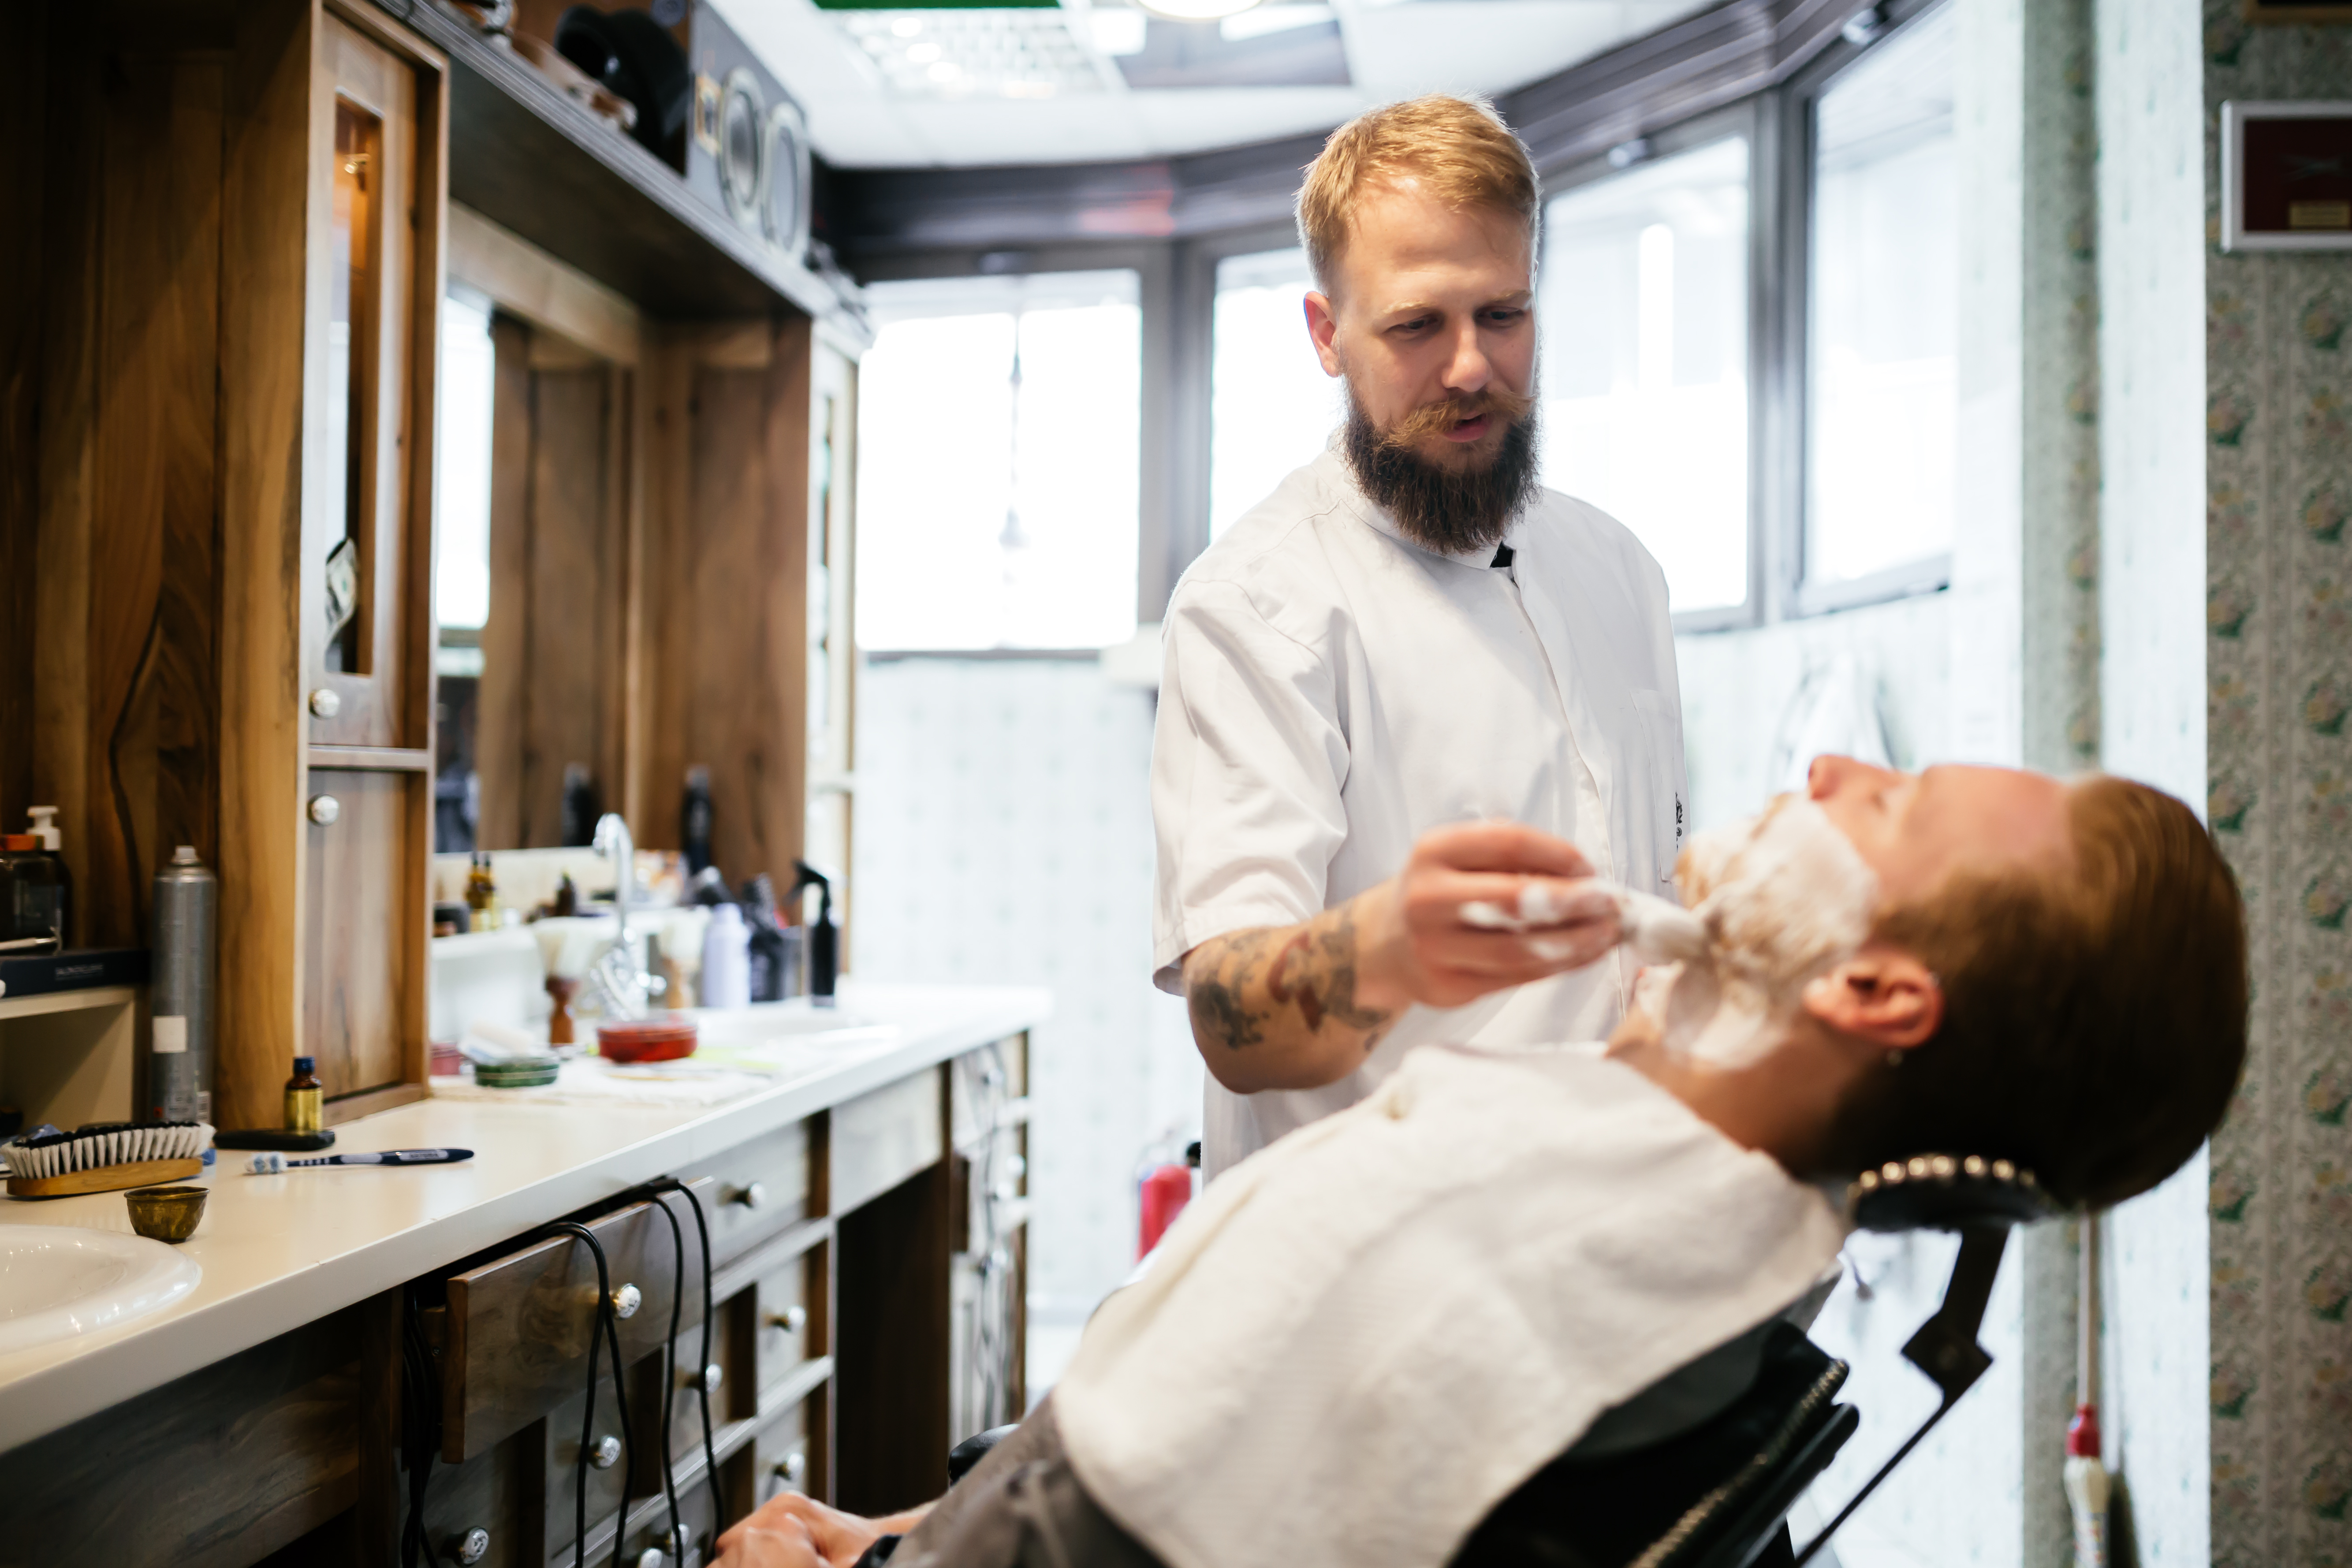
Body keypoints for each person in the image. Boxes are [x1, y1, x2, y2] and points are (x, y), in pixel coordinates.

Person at [714, 757, 2249, 1568]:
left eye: (1890, 800)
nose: (1838, 761)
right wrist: (908, 1532)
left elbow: (1140, 1515)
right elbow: (1216, 1472)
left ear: (1868, 993)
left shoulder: (1540, 1244)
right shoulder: (1702, 1224)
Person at [1153, 95, 1689, 1178]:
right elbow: (1228, 1021)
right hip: (1370, 1280)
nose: (1468, 368)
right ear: (1325, 335)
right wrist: (1392, 945)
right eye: (1415, 326)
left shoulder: (1620, 570)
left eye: (1503, 316)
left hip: (1606, 1240)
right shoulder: (1258, 604)